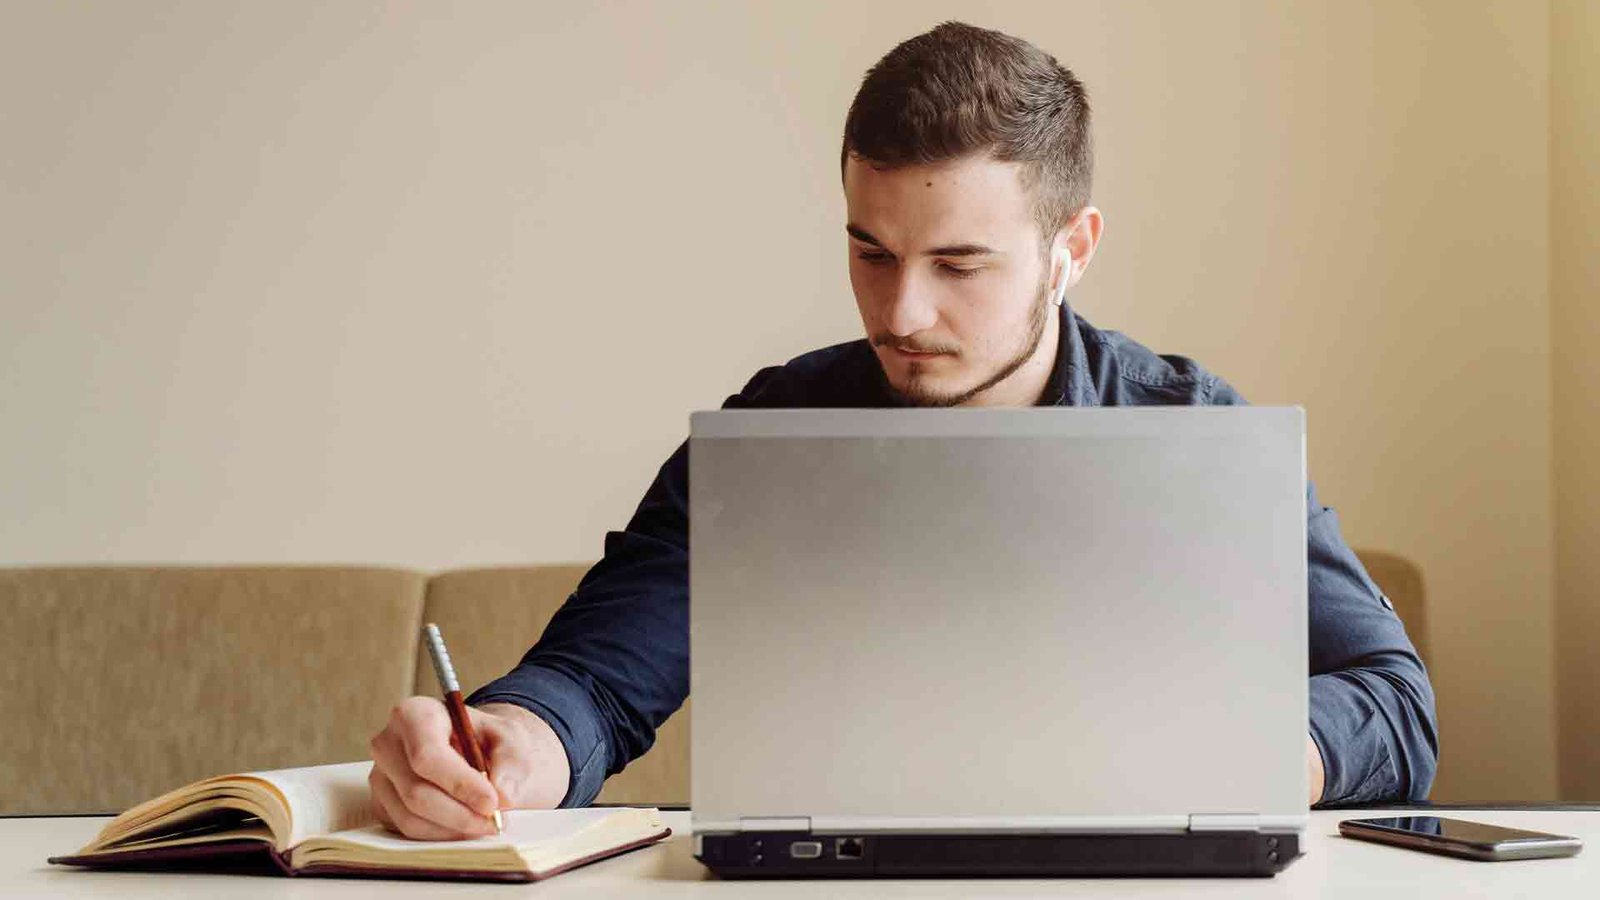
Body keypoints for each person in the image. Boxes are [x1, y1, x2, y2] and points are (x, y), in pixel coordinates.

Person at [367, 21, 1438, 840]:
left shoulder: (1194, 429)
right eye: (871, 253)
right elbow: (598, 680)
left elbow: (1393, 707)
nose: (900, 312)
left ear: (1074, 246)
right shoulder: (776, 431)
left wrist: (1242, 755)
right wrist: (518, 744)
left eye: (958, 264)